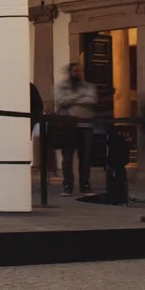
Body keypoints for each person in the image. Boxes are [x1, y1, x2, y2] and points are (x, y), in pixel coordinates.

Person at [54, 62, 98, 196]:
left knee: (85, 157)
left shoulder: (89, 87)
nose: (77, 74)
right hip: (68, 126)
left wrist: (71, 99)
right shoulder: (61, 86)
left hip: (85, 126)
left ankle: (85, 185)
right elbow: (60, 101)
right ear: (69, 72)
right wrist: (80, 96)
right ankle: (68, 185)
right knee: (67, 158)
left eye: (79, 71)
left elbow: (92, 100)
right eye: (74, 71)